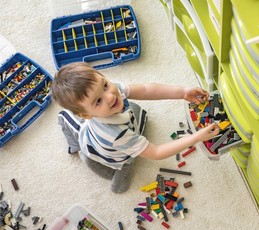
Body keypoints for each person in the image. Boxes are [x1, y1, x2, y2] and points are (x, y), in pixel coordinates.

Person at [51, 62, 219, 193]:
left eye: (105, 85)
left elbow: (146, 90)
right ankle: (83, 152)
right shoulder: (117, 135)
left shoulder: (111, 90)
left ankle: (119, 142)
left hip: (120, 129)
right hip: (112, 154)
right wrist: (196, 137)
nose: (110, 96)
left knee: (137, 110)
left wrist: (182, 92)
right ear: (86, 115)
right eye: (98, 101)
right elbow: (156, 152)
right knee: (64, 118)